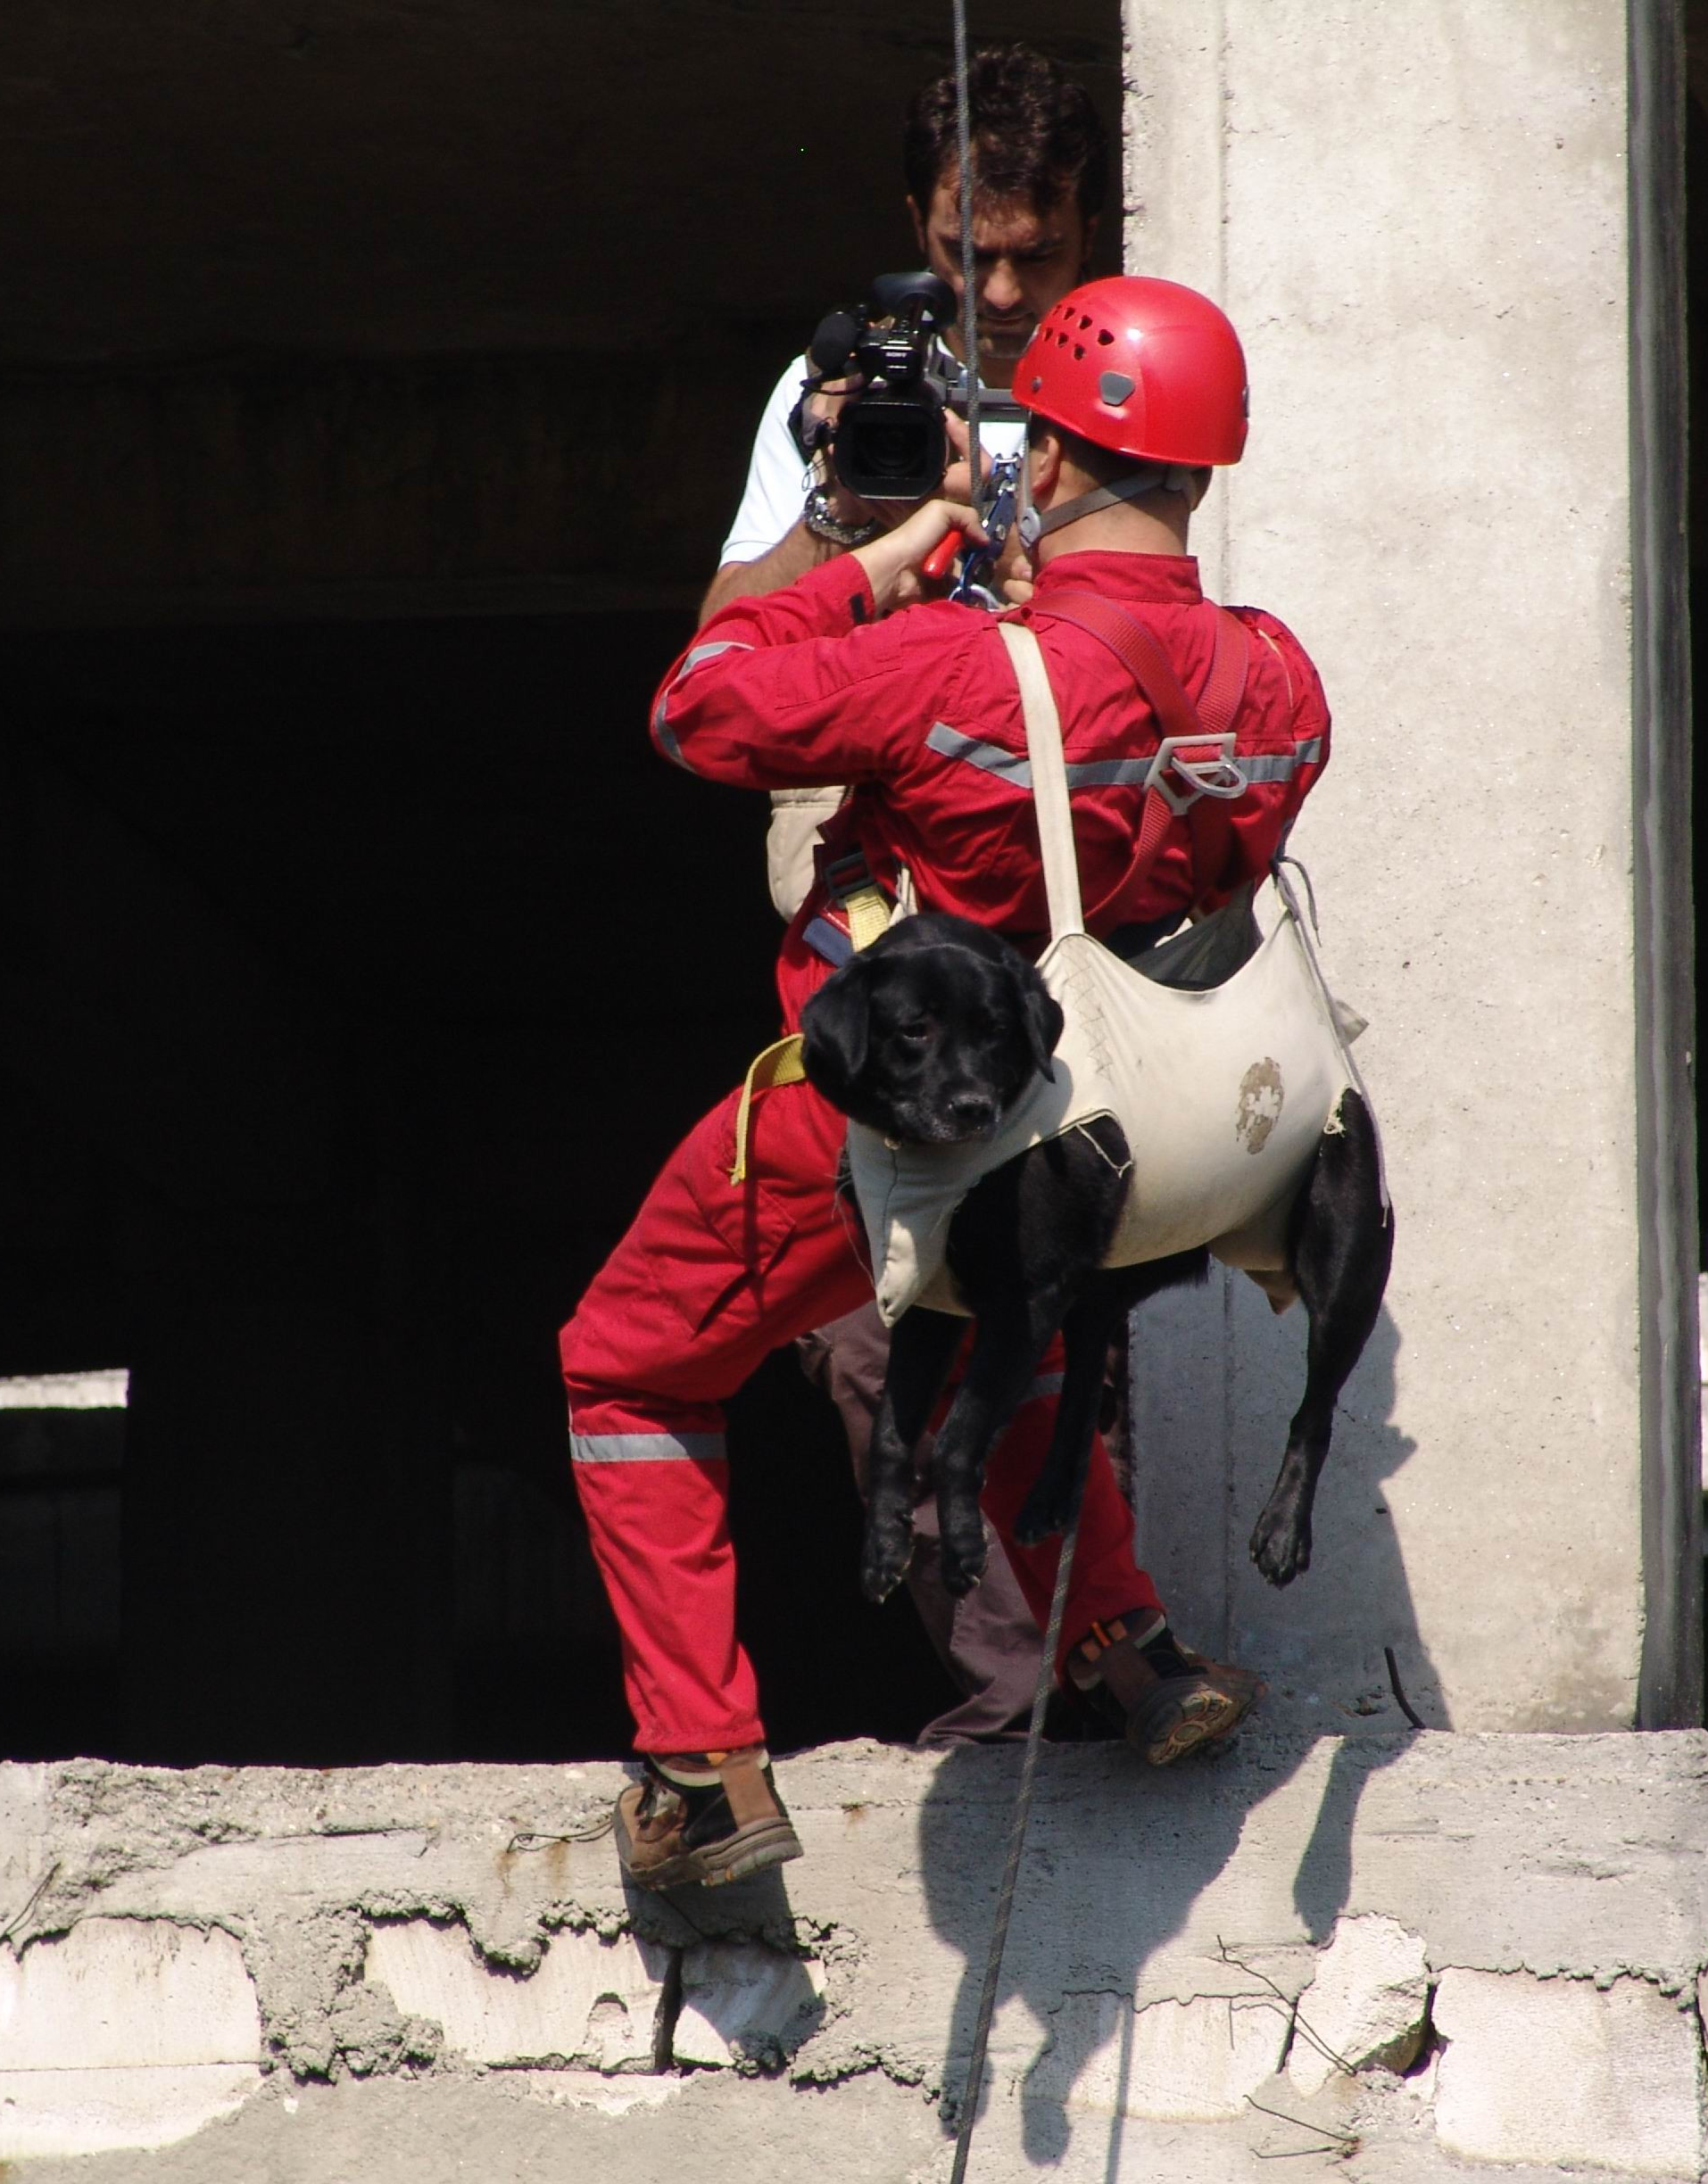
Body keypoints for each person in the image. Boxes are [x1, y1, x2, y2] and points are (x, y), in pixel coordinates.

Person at [566, 275, 1335, 1890]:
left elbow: (696, 708)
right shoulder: (1279, 680)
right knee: (995, 1310)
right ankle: (1131, 1650)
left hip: (895, 1119)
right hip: (1120, 1126)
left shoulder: (953, 669)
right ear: (1206, 468)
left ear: (1036, 463)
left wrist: (873, 559)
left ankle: (701, 1770)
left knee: (626, 1367)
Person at [708, 47, 1116, 1750]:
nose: (1001, 296)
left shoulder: (1122, 374)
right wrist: (845, 503)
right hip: (877, 903)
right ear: (914, 221)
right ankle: (1016, 1693)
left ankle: (1109, 1658)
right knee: (870, 1315)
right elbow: (724, 652)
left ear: (1090, 221)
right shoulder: (845, 388)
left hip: (1061, 873)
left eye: (1035, 252)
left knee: (1073, 1279)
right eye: (967, 254)